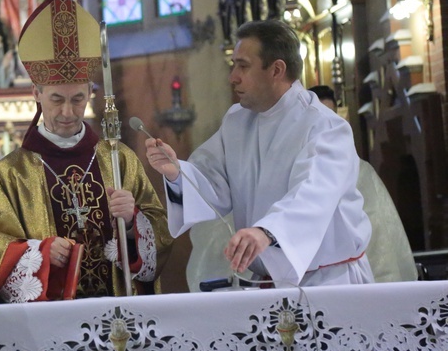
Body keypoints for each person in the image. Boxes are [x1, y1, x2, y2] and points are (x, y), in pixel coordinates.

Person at [0, 0, 172, 305]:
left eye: (78, 99)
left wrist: (132, 224)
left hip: (117, 315)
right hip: (48, 326)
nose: (67, 111)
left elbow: (160, 238)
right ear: (36, 93)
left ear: (90, 95)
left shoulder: (119, 159)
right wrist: (39, 253)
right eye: (56, 100)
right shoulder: (12, 173)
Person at [146, 19, 373, 287]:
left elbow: (313, 195)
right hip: (266, 283)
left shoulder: (324, 126)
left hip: (328, 283)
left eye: (243, 66)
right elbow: (212, 179)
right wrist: (178, 173)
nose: (233, 77)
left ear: (276, 69)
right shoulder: (237, 121)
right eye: (234, 66)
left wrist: (267, 232)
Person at [309, 85, 417, 282]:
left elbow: (381, 240)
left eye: (333, 116)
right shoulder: (294, 171)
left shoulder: (361, 170)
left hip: (354, 277)